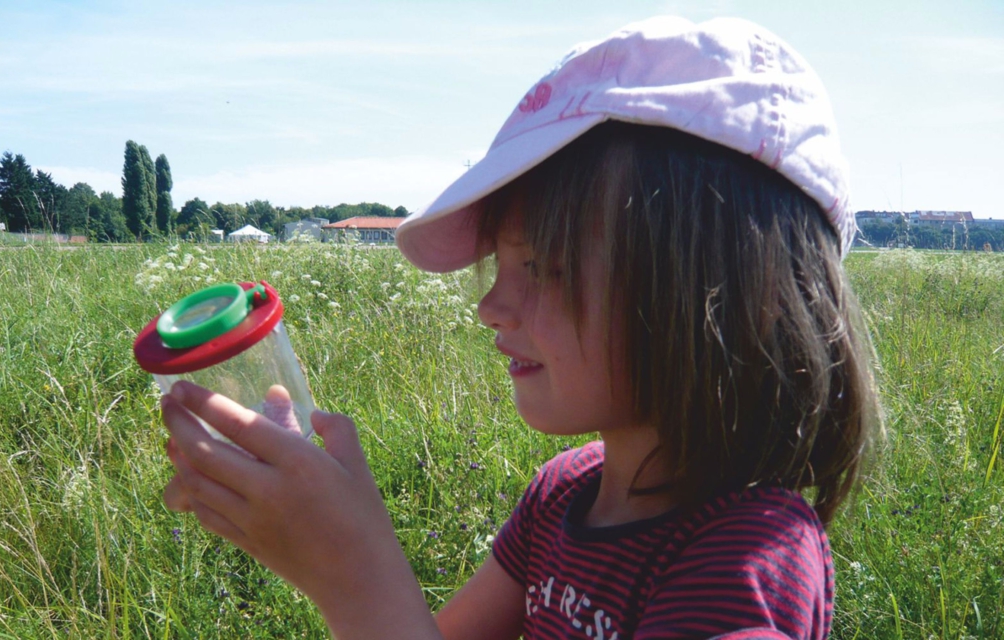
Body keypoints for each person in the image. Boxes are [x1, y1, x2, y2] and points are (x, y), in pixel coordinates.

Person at [161, 15, 878, 639]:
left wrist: (353, 574)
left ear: (725, 291)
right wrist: (319, 544)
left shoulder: (748, 558)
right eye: (500, 265)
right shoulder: (565, 491)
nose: (490, 306)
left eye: (547, 266)